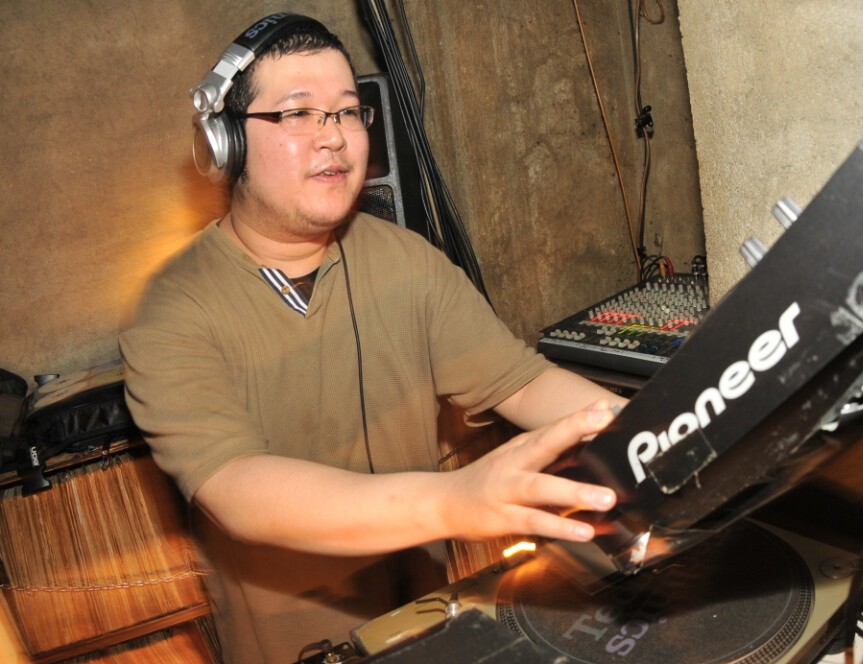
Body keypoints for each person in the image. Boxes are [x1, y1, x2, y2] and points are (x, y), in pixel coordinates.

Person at [119, 14, 628, 664]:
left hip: (427, 627)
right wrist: (457, 500)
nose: (333, 136)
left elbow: (522, 384)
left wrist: (659, 427)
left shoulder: (406, 260)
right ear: (228, 143)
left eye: (347, 111)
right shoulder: (173, 308)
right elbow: (237, 487)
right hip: (295, 648)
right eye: (297, 113)